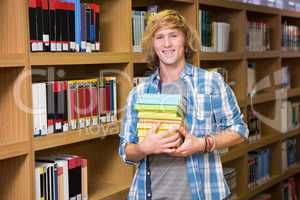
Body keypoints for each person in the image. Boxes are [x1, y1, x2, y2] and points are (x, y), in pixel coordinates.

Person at [119, 9, 249, 200]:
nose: (167, 44)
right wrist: (143, 148)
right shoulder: (139, 92)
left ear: (185, 40)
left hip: (203, 194)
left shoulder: (211, 82)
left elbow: (239, 131)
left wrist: (201, 144)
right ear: (152, 44)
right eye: (159, 37)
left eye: (173, 35)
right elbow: (125, 150)